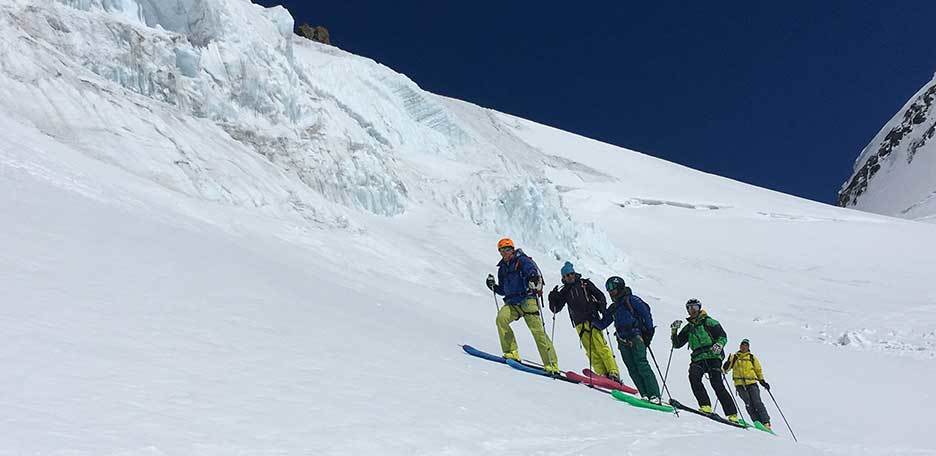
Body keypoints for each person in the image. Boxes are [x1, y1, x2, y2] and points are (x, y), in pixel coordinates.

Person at [485, 238, 559, 374]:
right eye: (502, 250)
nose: (505, 252)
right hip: (512, 302)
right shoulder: (502, 268)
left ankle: (551, 364)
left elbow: (531, 270)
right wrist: (493, 287)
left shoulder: (522, 260)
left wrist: (532, 277)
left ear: (512, 249)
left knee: (538, 332)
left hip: (527, 299)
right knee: (501, 319)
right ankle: (511, 352)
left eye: (508, 249)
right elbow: (503, 289)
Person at [547, 262, 621, 382]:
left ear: (574, 273)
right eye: (567, 275)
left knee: (601, 346)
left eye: (571, 274)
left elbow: (600, 295)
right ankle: (602, 374)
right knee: (590, 350)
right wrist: (553, 298)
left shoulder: (584, 284)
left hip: (592, 319)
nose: (570, 277)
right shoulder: (564, 291)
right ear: (563, 278)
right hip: (579, 323)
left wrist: (602, 308)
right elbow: (556, 308)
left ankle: (613, 372)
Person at [592, 276, 662, 403]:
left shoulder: (632, 300)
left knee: (642, 365)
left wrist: (648, 333)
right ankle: (644, 394)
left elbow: (646, 314)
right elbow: (603, 324)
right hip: (622, 340)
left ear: (619, 288)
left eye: (612, 289)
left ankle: (655, 395)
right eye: (608, 290)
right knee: (632, 368)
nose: (610, 292)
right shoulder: (614, 307)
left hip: (636, 337)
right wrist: (591, 317)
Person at [671, 298, 740, 422]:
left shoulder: (709, 322)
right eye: (690, 308)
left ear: (699, 308)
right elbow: (677, 344)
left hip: (713, 356)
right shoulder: (688, 328)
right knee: (694, 377)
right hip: (697, 357)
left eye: (695, 307)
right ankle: (705, 406)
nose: (692, 310)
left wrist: (719, 345)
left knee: (717, 384)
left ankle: (732, 414)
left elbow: (722, 336)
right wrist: (674, 331)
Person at [723, 339, 772, 429]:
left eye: (746, 345)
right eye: (742, 345)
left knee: (757, 402)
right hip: (739, 384)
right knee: (748, 403)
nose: (743, 347)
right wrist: (726, 365)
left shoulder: (752, 357)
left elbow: (758, 370)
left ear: (748, 347)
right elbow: (726, 369)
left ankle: (766, 422)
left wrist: (762, 381)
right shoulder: (734, 357)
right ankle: (756, 421)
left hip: (752, 383)